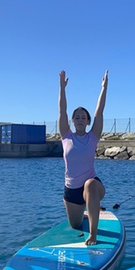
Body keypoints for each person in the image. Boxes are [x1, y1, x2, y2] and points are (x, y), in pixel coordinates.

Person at [58, 69, 108, 245]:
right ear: (72, 121)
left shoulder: (93, 137)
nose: (80, 119)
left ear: (87, 122)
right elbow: (62, 110)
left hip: (92, 186)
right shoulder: (66, 136)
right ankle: (89, 211)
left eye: (83, 117)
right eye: (77, 117)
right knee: (76, 225)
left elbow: (99, 112)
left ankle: (93, 234)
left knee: (90, 184)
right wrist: (62, 88)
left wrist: (104, 88)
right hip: (71, 190)